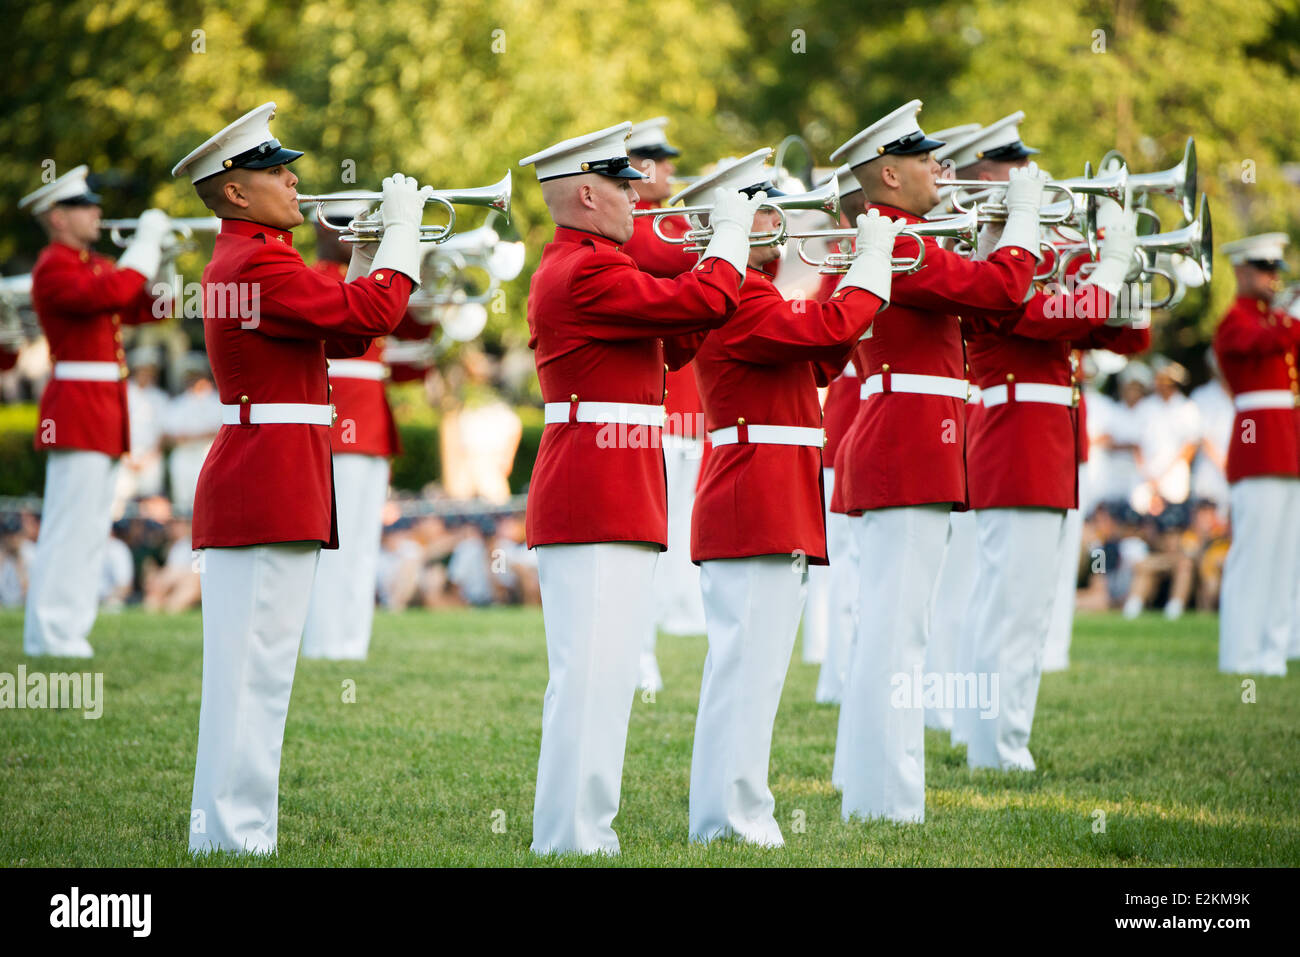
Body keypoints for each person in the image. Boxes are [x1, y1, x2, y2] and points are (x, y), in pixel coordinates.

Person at [173, 101, 427, 854]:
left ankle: (232, 830)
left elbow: (347, 329)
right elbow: (377, 309)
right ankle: (231, 834)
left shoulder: (252, 256)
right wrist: (405, 233)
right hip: (265, 482)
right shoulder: (257, 259)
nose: (291, 179)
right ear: (236, 191)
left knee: (257, 674)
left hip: (270, 477)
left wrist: (366, 247)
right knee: (253, 675)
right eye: (274, 170)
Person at [519, 122, 760, 855]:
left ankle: (584, 830)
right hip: (595, 489)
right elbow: (698, 302)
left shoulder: (594, 267)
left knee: (609, 672)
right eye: (624, 184)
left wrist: (717, 245)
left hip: (613, 485)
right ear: (587, 193)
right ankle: (572, 836)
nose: (638, 195)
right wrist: (730, 233)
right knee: (592, 676)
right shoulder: (587, 269)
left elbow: (671, 340)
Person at [827, 100, 1047, 823]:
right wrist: (1020, 219)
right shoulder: (898, 240)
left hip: (910, 443)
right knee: (899, 634)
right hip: (905, 446)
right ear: (888, 174)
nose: (939, 168)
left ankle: (870, 788)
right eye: (924, 159)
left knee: (891, 630)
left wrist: (996, 228)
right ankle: (884, 799)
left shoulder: (906, 237)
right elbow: (1003, 290)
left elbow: (984, 311)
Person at [676, 149, 899, 846]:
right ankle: (730, 819)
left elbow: (824, 354)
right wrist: (870, 258)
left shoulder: (752, 288)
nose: (776, 217)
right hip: (755, 495)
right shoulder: (734, 292)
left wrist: (851, 269)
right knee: (746, 671)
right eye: (759, 204)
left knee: (754, 670)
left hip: (771, 493)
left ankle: (734, 812)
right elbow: (829, 330)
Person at [940, 114, 1146, 770]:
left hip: (1042, 441)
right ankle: (998, 746)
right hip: (1018, 442)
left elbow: (1117, 336)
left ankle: (991, 738)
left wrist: (1125, 265)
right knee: (1013, 608)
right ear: (979, 178)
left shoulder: (1026, 263)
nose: (1028, 175)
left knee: (1014, 603)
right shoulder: (987, 267)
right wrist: (1109, 262)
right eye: (1008, 165)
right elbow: (1065, 313)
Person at [18, 164, 170, 657]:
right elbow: (115, 293)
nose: (96, 212)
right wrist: (145, 246)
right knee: (69, 527)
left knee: (88, 528)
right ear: (57, 217)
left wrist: (161, 261)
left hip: (100, 408)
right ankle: (52, 632)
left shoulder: (93, 262)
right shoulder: (55, 266)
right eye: (84, 206)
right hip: (78, 406)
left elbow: (147, 308)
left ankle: (65, 630)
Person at [301, 196, 433, 660]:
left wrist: (422, 270)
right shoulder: (318, 280)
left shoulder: (365, 282)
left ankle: (350, 642)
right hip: (343, 421)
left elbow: (414, 341)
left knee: (360, 545)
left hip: (371, 424)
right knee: (336, 542)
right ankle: (324, 641)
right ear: (333, 231)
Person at [621, 116, 709, 690]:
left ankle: (679, 617)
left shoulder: (676, 223)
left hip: (693, 409)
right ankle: (643, 644)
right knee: (655, 534)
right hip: (658, 409)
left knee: (681, 531)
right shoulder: (639, 228)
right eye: (662, 160)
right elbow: (683, 266)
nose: (672, 170)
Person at [1213, 233, 1300, 676]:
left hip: (1288, 446)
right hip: (1258, 444)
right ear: (1242, 270)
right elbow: (1256, 344)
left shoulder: (1276, 320)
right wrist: (1288, 314)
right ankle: (1241, 653)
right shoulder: (1235, 320)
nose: (1271, 278)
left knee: (1286, 556)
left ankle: (1274, 651)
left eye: (1274, 270)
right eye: (1263, 269)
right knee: (1254, 554)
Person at [813, 166, 870, 705]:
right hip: (850, 435)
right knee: (847, 573)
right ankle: (838, 677)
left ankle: (841, 677)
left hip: (857, 435)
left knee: (855, 573)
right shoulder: (844, 269)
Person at [162, 354, 223, 512]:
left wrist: (193, 436)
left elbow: (219, 432)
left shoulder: (217, 401)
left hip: (207, 455)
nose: (193, 380)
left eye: (196, 375)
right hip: (184, 457)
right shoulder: (178, 403)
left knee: (208, 501)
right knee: (182, 502)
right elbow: (168, 435)